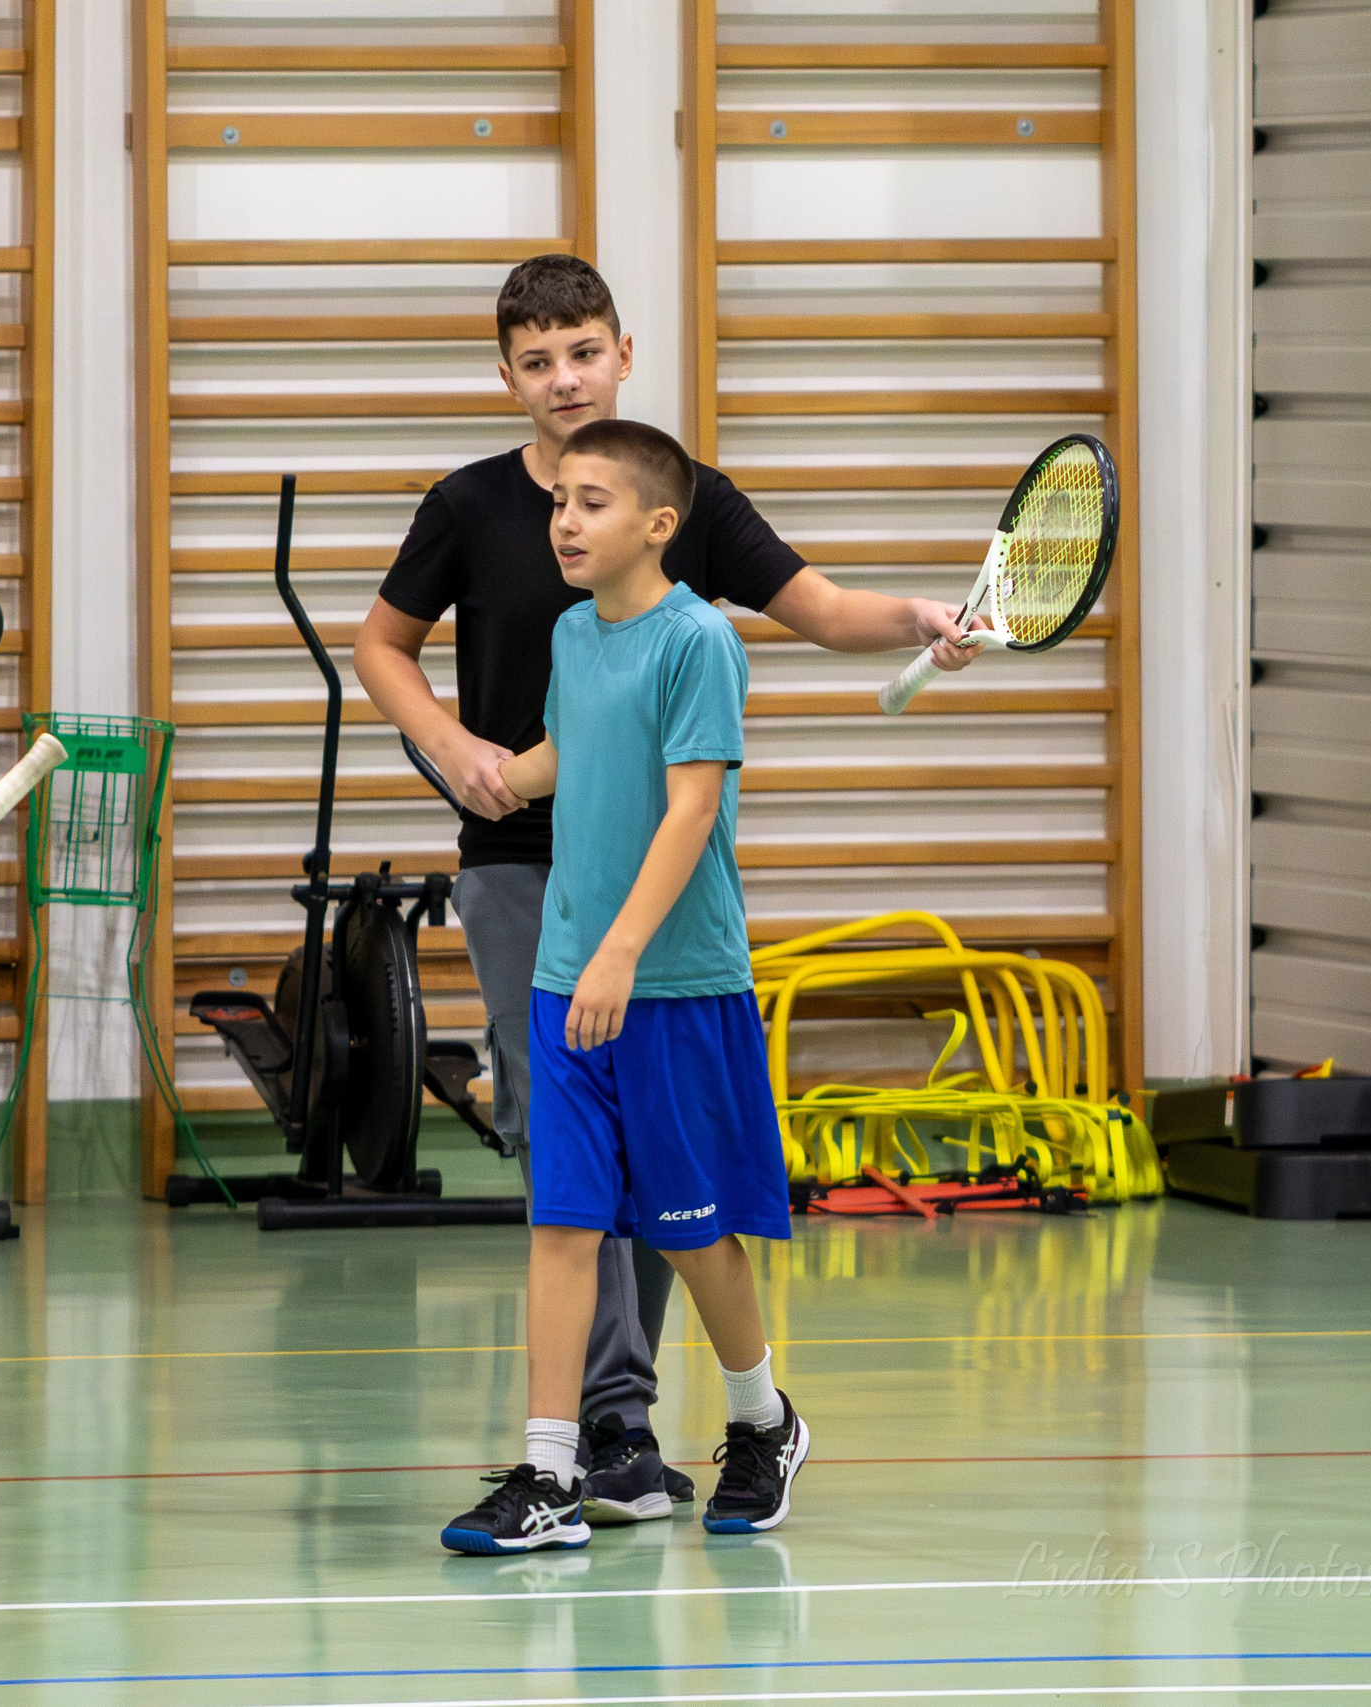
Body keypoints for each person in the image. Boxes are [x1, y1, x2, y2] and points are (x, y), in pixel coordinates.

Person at [355, 254, 975, 1524]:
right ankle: (583, 1443)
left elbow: (808, 616)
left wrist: (918, 614)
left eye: (581, 352)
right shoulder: (484, 515)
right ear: (508, 377)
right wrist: (460, 755)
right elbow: (415, 663)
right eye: (536, 361)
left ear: (621, 354)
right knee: (563, 1166)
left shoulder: (685, 556)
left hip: (656, 916)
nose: (563, 378)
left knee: (667, 1196)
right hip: (531, 885)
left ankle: (660, 1423)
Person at [438, 419, 801, 1554]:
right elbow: (570, 750)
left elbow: (690, 806)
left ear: (658, 524)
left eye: (592, 503)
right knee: (563, 1222)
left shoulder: (698, 641)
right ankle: (549, 1474)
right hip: (568, 977)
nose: (564, 520)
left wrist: (623, 949)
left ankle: (761, 1420)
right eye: (559, 503)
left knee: (690, 1230)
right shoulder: (570, 633)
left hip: (670, 981)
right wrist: (502, 774)